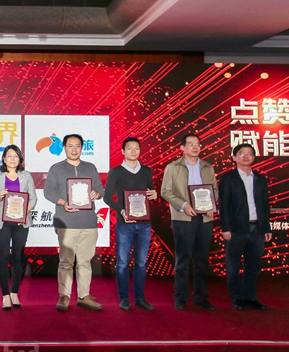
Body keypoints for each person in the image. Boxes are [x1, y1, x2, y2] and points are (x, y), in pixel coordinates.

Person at [44, 134, 105, 312]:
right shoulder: (57, 168)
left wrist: (97, 194)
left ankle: (84, 296)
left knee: (85, 261)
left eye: (77, 146)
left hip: (88, 222)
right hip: (66, 222)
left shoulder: (90, 167)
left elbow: (100, 189)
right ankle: (64, 296)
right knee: (66, 262)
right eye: (70, 146)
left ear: (82, 148)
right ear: (64, 148)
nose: (74, 149)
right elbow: (48, 191)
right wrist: (63, 203)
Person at [161, 133, 218, 311]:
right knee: (183, 259)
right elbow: (165, 191)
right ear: (182, 148)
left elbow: (215, 190)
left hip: (205, 218)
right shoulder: (173, 167)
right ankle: (180, 297)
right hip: (183, 218)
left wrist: (212, 204)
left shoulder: (207, 167)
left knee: (202, 260)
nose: (195, 147)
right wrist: (183, 205)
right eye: (191, 144)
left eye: (198, 144)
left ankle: (201, 298)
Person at [103, 137, 157, 311]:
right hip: (124, 224)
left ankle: (140, 298)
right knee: (122, 263)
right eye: (129, 148)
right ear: (123, 151)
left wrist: (154, 194)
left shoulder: (146, 171)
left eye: (136, 148)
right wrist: (121, 210)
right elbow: (107, 197)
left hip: (144, 223)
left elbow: (150, 191)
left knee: (141, 263)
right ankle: (124, 298)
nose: (133, 151)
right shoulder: (116, 172)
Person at [218, 143, 272, 311]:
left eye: (249, 154)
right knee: (233, 267)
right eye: (241, 153)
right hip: (235, 229)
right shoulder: (228, 178)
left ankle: (250, 297)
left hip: (257, 229)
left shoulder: (260, 178)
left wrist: (266, 227)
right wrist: (225, 227)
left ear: (254, 158)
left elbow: (265, 205)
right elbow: (223, 205)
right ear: (234, 157)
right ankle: (237, 297)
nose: (246, 156)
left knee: (254, 266)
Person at [0, 145, 36, 310]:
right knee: (3, 258)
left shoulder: (26, 176)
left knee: (17, 258)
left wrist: (23, 213)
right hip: (2, 224)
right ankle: (5, 295)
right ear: (4, 159)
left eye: (16, 156)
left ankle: (14, 292)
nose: (12, 159)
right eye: (9, 155)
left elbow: (33, 199)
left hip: (21, 223)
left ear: (20, 159)